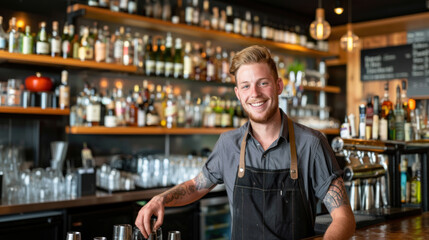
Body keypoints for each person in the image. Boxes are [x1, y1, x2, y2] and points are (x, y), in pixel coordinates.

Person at [135, 45, 356, 239]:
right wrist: (160, 199)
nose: (255, 94)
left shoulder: (311, 144)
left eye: (263, 83)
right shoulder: (228, 144)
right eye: (246, 86)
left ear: (278, 86)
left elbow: (344, 218)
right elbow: (196, 185)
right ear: (238, 94)